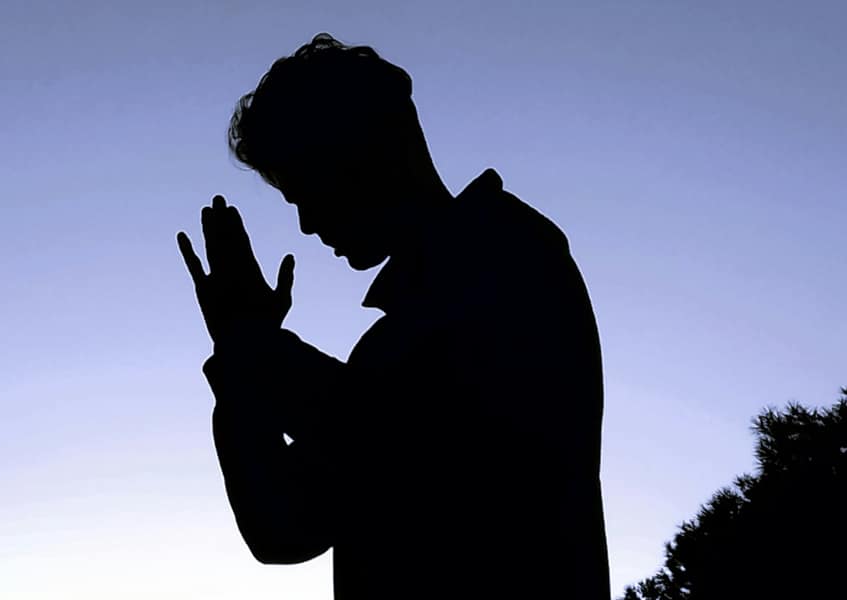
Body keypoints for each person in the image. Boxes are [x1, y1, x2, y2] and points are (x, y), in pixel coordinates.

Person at [176, 32, 609, 599]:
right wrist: (242, 358)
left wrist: (251, 347)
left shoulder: (513, 266)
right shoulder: (401, 336)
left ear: (366, 153)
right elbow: (283, 526)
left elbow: (401, 439)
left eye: (306, 189)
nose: (306, 224)